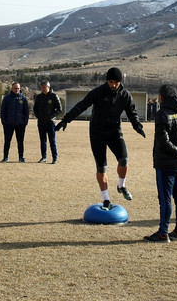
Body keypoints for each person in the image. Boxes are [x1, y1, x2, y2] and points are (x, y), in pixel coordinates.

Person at [56, 67, 146, 210]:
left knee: (124, 160)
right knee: (102, 167)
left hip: (115, 132)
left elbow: (132, 112)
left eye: (116, 82)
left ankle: (121, 186)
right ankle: (106, 199)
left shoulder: (125, 95)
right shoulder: (98, 92)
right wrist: (66, 119)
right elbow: (81, 105)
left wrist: (137, 126)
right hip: (97, 133)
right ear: (107, 81)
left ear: (120, 82)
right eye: (111, 82)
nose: (113, 85)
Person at [144, 85, 177, 243]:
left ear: (161, 97)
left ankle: (162, 234)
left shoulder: (162, 114)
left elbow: (163, 141)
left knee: (165, 199)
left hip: (166, 164)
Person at [32, 80, 62, 164]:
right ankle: (43, 157)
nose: (42, 89)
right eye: (41, 87)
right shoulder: (39, 97)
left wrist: (51, 117)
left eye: (44, 87)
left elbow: (59, 109)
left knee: (52, 141)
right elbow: (35, 108)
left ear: (48, 87)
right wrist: (38, 116)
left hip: (50, 123)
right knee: (43, 141)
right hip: (41, 123)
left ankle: (54, 158)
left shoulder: (54, 96)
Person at [0, 82, 29, 162]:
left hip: (20, 124)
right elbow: (2, 111)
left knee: (20, 141)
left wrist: (25, 122)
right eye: (15, 88)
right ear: (12, 88)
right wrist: (4, 122)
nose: (17, 90)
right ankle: (5, 157)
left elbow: (26, 111)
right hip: (8, 124)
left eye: (18, 88)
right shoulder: (6, 98)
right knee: (7, 141)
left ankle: (21, 157)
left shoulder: (23, 99)